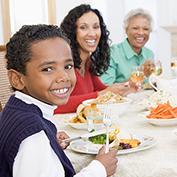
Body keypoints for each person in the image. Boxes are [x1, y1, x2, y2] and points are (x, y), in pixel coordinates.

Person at [0, 24, 118, 177]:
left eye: (68, 66)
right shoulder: (34, 137)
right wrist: (99, 169)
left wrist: (49, 142)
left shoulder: (16, 109)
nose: (63, 77)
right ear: (17, 79)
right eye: (48, 69)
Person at [54, 4, 135, 114]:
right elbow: (57, 105)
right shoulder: (63, 64)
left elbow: (102, 89)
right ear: (73, 32)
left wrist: (124, 87)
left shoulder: (87, 62)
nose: (92, 33)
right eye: (83, 27)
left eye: (96, 27)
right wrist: (101, 95)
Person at [101, 8, 154, 85]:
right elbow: (106, 88)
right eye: (135, 28)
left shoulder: (149, 53)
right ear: (126, 30)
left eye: (145, 29)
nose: (141, 33)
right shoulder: (111, 53)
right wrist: (141, 73)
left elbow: (149, 84)